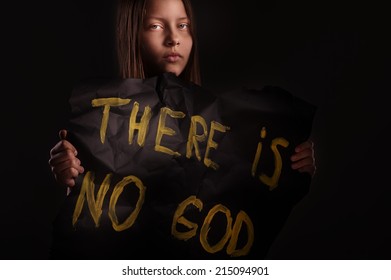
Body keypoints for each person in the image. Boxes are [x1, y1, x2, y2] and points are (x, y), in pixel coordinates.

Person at [48, 0, 316, 259]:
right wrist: (74, 175)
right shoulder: (103, 123)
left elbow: (249, 199)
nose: (173, 38)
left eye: (183, 25)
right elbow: (93, 225)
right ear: (132, 33)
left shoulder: (219, 127)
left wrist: (293, 169)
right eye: (156, 26)